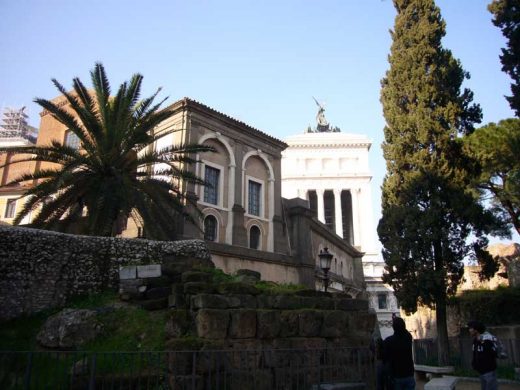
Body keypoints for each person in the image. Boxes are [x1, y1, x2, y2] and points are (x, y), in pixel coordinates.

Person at [383, 316, 415, 390]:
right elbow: (405, 331)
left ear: (394, 328)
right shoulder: (408, 338)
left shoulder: (389, 341)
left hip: (396, 375)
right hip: (409, 374)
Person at [467, 320, 498, 390]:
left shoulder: (487, 340)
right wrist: (474, 364)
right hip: (481, 372)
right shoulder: (475, 341)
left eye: (470, 328)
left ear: (476, 330)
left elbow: (493, 353)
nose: (469, 330)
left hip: (489, 371)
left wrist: (483, 342)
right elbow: (475, 354)